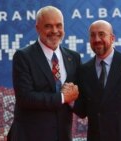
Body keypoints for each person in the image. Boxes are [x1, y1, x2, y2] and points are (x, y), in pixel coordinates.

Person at [7, 6, 80, 141]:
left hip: (63, 135)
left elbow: (77, 96)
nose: (54, 31)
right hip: (30, 136)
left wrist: (73, 100)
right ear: (37, 28)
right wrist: (63, 97)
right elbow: (25, 98)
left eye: (59, 25)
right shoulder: (23, 56)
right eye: (48, 26)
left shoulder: (73, 57)